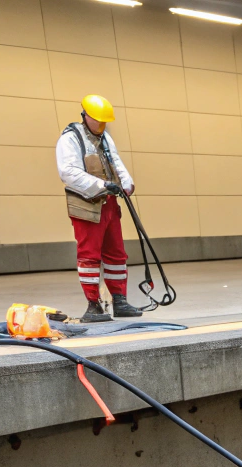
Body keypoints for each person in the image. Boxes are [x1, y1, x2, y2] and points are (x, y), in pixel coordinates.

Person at [57, 95, 139, 322]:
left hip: (110, 204)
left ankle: (119, 300)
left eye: (105, 121)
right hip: (87, 204)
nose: (102, 125)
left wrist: (126, 182)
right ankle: (93, 304)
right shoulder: (70, 139)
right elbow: (68, 173)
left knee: (116, 254)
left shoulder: (105, 138)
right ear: (86, 116)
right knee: (89, 256)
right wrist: (102, 185)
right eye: (99, 121)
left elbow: (116, 162)